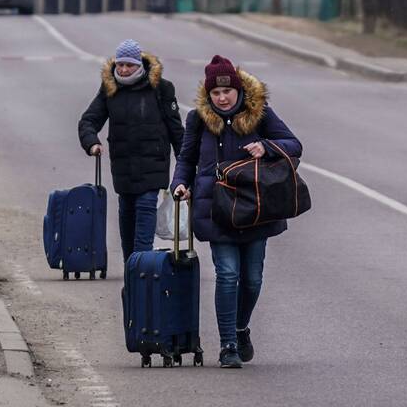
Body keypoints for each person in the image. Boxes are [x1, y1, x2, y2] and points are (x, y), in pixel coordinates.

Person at [171, 55, 302, 369]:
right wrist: (180, 184)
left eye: (227, 91)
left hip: (256, 207)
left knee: (252, 280)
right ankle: (228, 344)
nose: (222, 97)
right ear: (208, 94)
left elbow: (293, 144)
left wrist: (266, 147)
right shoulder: (198, 119)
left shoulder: (260, 114)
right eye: (215, 93)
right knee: (227, 275)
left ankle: (241, 328)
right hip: (216, 207)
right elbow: (187, 158)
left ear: (239, 90)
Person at [78, 39, 184, 263]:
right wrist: (92, 143)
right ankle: (132, 269)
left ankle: (140, 268)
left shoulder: (161, 89)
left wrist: (185, 170)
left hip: (153, 167)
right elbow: (88, 120)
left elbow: (177, 130)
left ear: (140, 65)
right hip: (123, 168)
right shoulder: (110, 90)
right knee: (127, 217)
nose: (124, 70)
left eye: (130, 65)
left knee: (145, 211)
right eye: (120, 65)